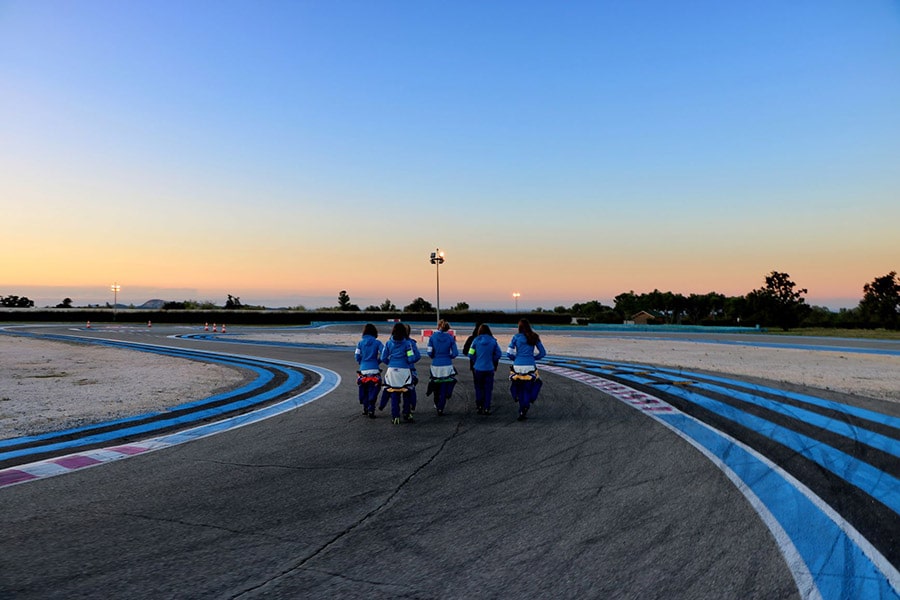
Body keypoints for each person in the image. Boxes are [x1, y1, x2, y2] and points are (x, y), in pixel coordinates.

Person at [507, 318, 546, 421]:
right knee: (535, 384)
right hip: (530, 366)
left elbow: (508, 353)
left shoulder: (515, 337)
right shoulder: (534, 337)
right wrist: (533, 358)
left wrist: (516, 359)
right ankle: (528, 402)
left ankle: (519, 403)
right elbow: (543, 353)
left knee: (519, 387)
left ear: (519, 327)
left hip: (517, 366)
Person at [380, 322, 418, 424]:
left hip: (392, 370)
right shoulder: (407, 344)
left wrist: (391, 363)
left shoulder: (388, 343)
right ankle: (406, 412)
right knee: (407, 392)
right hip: (404, 370)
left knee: (394, 393)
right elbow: (411, 358)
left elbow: (383, 358)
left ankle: (395, 416)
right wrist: (405, 362)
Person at [467, 323, 502, 415]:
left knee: (479, 388)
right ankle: (486, 407)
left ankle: (479, 406)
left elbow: (470, 354)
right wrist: (491, 359)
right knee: (488, 389)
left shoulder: (475, 341)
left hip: (478, 368)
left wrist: (476, 360)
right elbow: (499, 354)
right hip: (489, 367)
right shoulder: (493, 341)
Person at [426, 319, 459, 415]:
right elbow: (455, 353)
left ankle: (436, 402)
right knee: (445, 385)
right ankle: (441, 407)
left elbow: (429, 352)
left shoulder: (432, 337)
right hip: (447, 364)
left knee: (436, 385)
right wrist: (449, 357)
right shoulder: (450, 338)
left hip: (436, 364)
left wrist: (434, 356)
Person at [354, 323, 384, 418]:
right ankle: (371, 409)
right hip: (374, 369)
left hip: (363, 369)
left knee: (364, 389)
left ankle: (365, 408)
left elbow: (357, 356)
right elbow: (384, 354)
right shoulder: (377, 343)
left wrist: (361, 363)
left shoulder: (360, 343)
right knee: (373, 389)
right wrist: (377, 361)